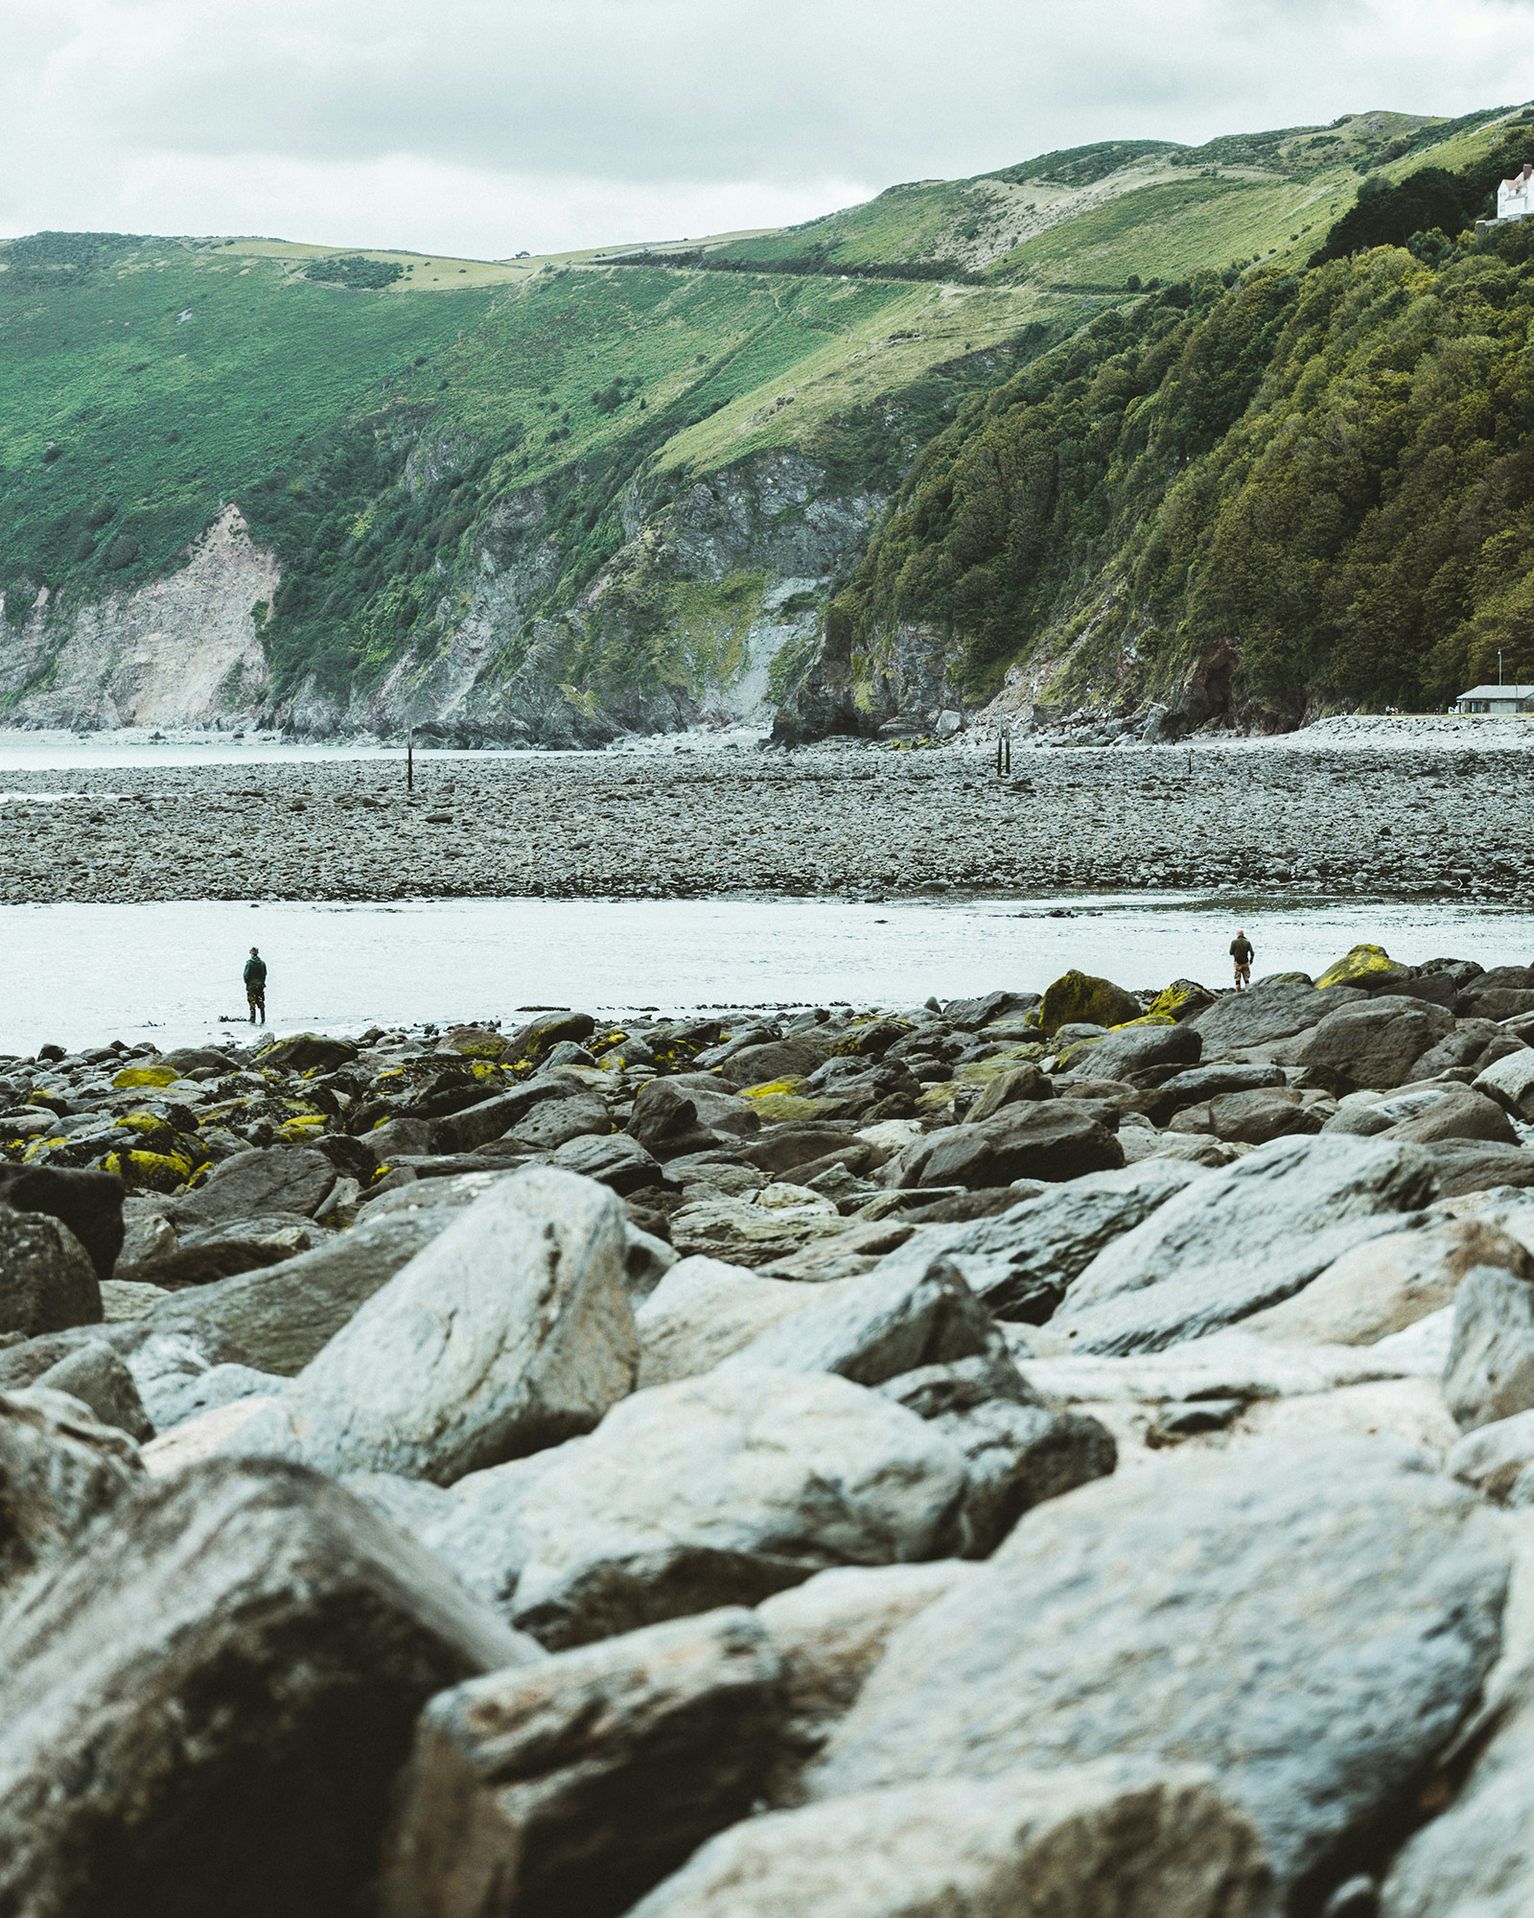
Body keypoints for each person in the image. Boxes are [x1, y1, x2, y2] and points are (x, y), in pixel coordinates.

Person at [244, 946, 268, 1025]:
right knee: (261, 1003)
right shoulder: (262, 963)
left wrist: (248, 983)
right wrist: (261, 982)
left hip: (251, 987)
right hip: (260, 986)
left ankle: (252, 1020)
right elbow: (264, 974)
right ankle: (263, 1020)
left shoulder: (249, 963)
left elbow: (246, 976)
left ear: (251, 953)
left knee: (252, 1003)